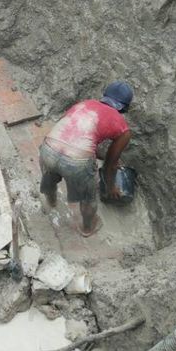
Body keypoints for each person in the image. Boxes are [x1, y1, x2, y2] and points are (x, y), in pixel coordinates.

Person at [39, 81, 133, 237]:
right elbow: (110, 164)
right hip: (77, 164)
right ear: (124, 107)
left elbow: (72, 135)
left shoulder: (84, 104)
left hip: (48, 148)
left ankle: (51, 201)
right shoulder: (123, 128)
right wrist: (111, 187)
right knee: (87, 198)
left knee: (50, 176)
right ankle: (88, 228)